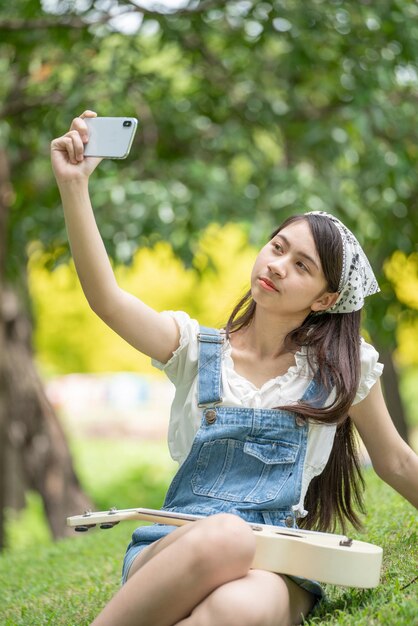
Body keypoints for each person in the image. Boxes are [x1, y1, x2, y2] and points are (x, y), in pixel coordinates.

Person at [51, 111, 418, 626]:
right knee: (225, 533)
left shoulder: (345, 367)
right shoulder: (194, 349)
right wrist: (74, 186)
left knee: (235, 609)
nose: (276, 265)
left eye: (302, 266)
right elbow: (106, 299)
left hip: (275, 561)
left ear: (326, 298)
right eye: (277, 247)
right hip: (179, 546)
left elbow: (396, 462)